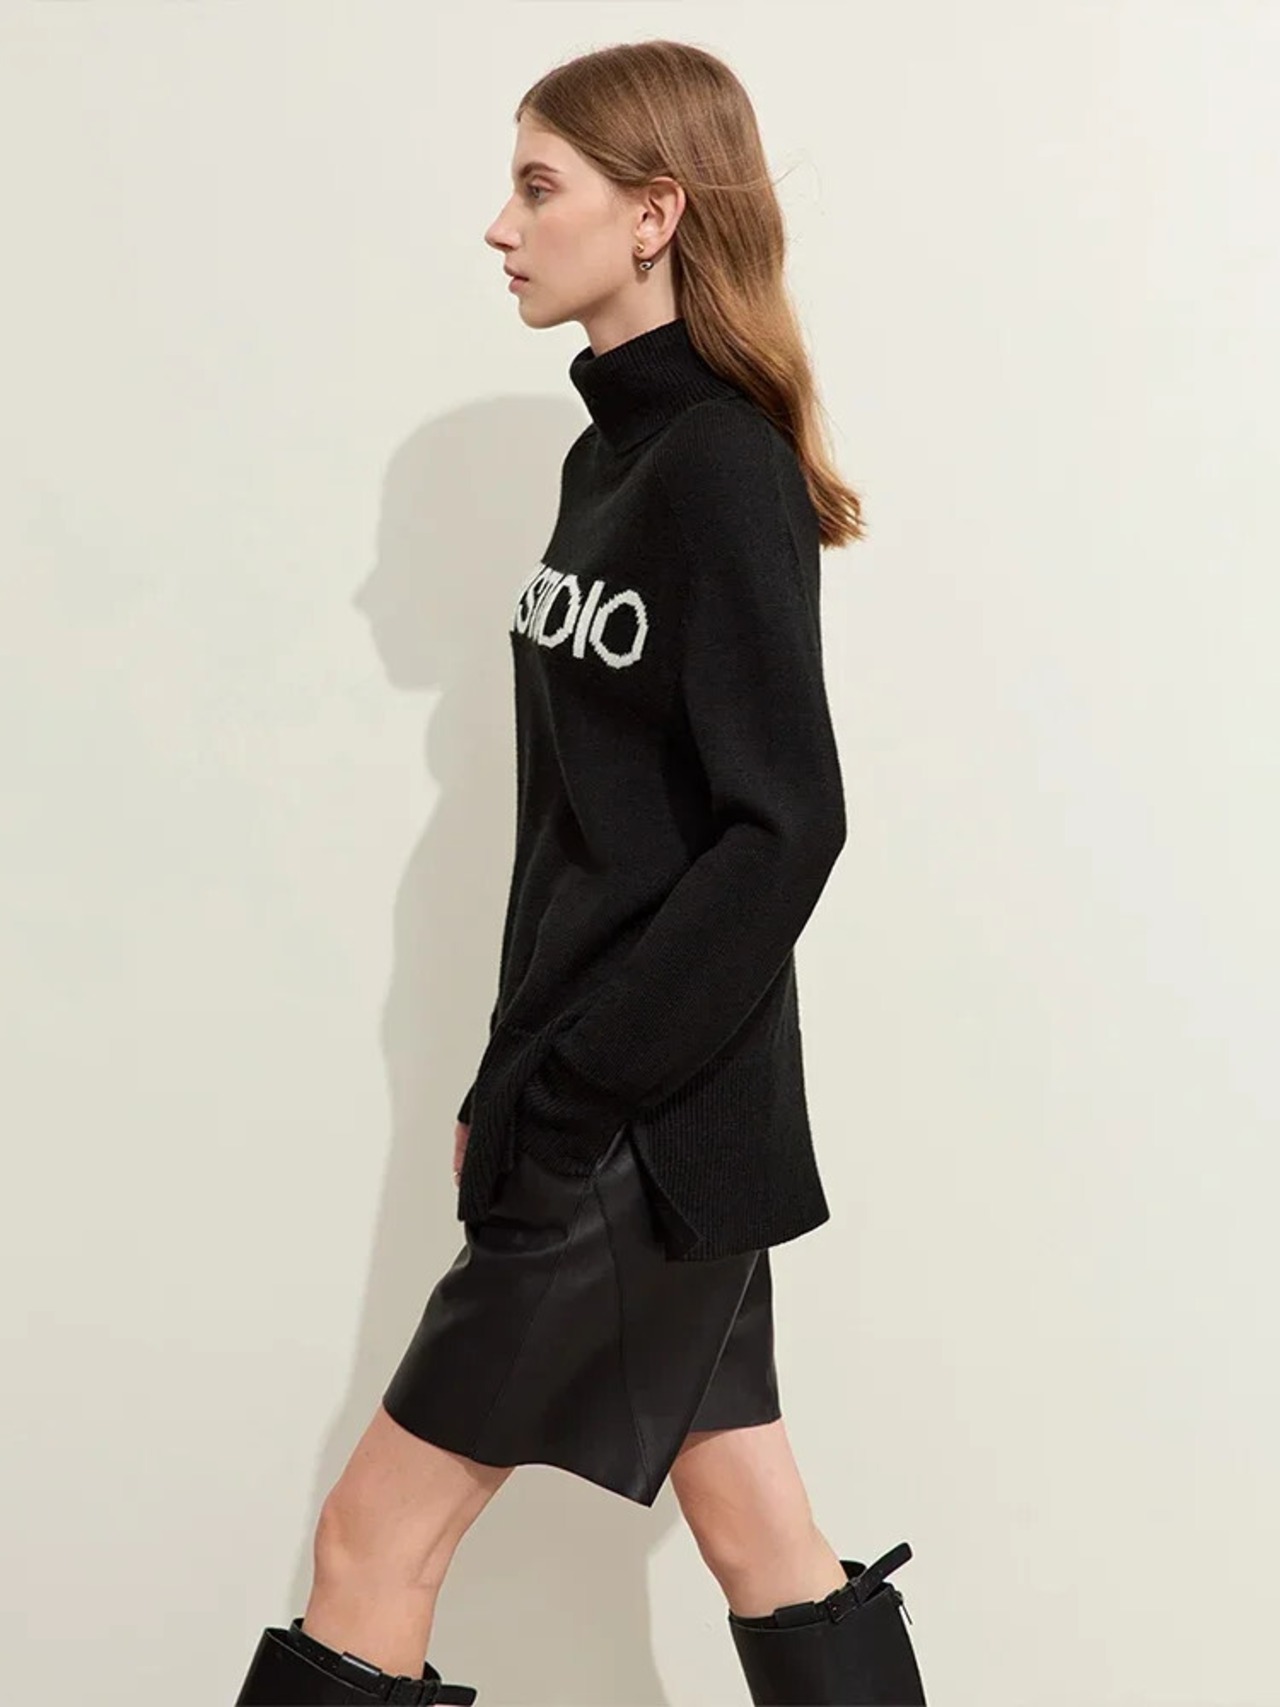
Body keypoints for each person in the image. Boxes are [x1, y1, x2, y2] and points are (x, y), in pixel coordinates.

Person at [233, 38, 926, 1707]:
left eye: (538, 187)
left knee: (370, 1545)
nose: (501, 225)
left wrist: (572, 1090)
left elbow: (785, 826)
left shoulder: (723, 467)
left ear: (653, 215)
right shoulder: (606, 458)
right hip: (630, 1110)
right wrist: (507, 1068)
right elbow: (584, 834)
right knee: (761, 1529)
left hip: (635, 1127)